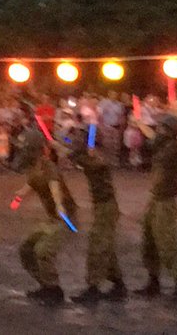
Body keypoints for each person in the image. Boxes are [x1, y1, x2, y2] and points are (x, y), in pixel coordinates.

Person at [53, 129, 126, 304]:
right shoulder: (88, 155)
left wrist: (66, 151)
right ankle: (118, 284)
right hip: (101, 206)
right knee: (104, 244)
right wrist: (60, 143)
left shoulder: (98, 158)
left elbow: (89, 161)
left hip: (107, 207)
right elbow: (70, 147)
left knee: (98, 245)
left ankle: (93, 287)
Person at [10, 126, 77, 306]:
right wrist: (20, 195)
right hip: (51, 219)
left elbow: (54, 185)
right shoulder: (33, 168)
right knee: (26, 250)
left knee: (43, 251)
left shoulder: (48, 166)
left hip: (64, 218)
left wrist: (59, 205)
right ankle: (45, 285)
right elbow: (33, 183)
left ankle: (54, 290)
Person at [129, 112, 177, 300]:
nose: (159, 130)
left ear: (171, 131)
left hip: (166, 201)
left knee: (167, 242)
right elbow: (150, 134)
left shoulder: (176, 146)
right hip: (155, 198)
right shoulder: (161, 145)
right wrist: (139, 123)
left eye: (163, 127)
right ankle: (153, 280)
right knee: (149, 240)